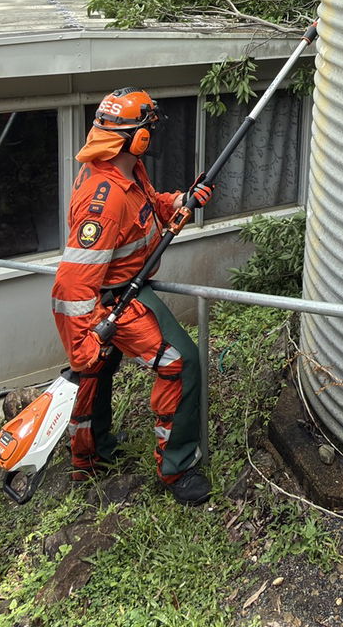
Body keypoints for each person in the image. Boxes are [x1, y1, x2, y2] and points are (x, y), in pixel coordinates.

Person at [51, 88, 213, 504]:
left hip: (130, 286)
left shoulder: (126, 168)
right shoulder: (101, 200)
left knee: (99, 371)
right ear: (136, 137)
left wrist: (179, 201)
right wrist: (82, 341)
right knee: (182, 363)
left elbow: (149, 206)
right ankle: (176, 469)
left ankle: (93, 455)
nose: (151, 136)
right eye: (148, 129)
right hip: (118, 299)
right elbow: (72, 286)